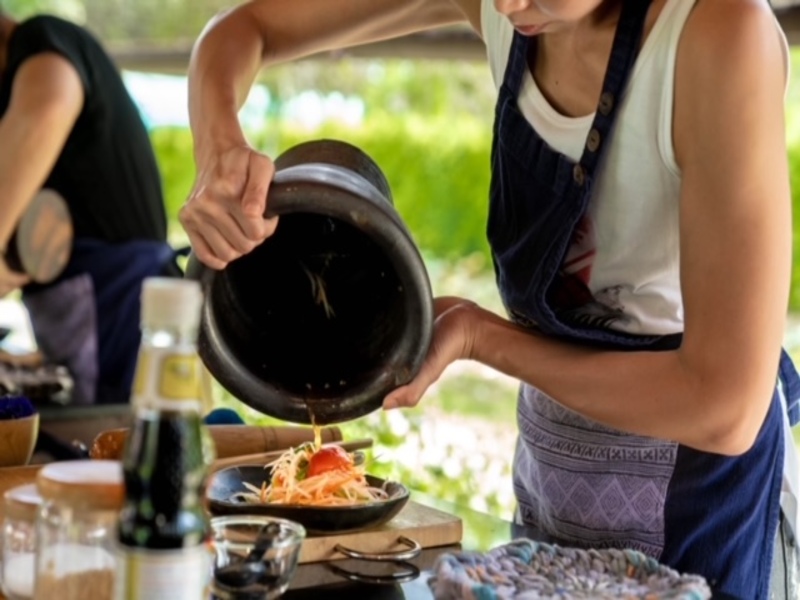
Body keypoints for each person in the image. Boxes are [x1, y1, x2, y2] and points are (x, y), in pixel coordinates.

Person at [179, 0, 799, 597]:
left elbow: (725, 408)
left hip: (694, 501)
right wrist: (219, 156)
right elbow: (240, 31)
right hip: (551, 478)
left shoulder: (720, 33)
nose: (504, 4)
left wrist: (485, 337)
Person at [0, 10, 182, 406]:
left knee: (125, 450)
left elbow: (48, 105)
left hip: (123, 309)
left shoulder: (43, 40)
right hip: (87, 320)